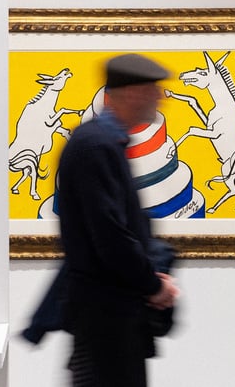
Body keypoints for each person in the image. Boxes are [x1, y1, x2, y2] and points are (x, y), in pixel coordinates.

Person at [57, 53, 180, 387]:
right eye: (153, 90)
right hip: (106, 317)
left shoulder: (102, 142)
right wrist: (154, 286)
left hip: (109, 314)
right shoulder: (96, 146)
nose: (160, 98)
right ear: (131, 93)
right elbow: (110, 236)